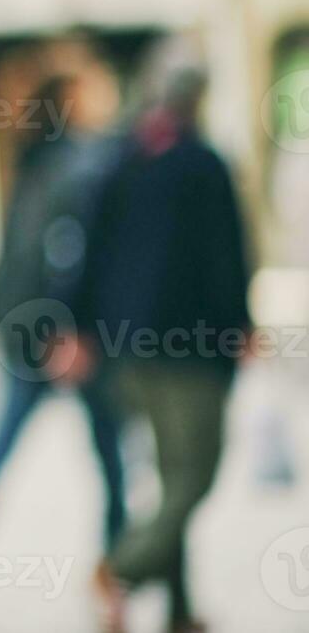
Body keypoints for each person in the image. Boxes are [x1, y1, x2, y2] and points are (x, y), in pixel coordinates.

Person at [81, 61, 254, 633]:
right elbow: (228, 255)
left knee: (170, 475)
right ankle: (120, 567)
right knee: (193, 477)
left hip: (131, 348)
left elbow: (93, 249)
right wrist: (242, 325)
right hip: (192, 350)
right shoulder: (205, 164)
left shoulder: (125, 160)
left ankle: (177, 610)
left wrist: (90, 328)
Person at [0, 71, 126, 580]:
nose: (104, 99)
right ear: (72, 106)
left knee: (7, 448)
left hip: (29, 333)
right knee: (109, 457)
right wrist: (63, 333)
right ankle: (117, 570)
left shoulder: (36, 164)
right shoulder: (79, 165)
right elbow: (63, 253)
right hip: (61, 337)